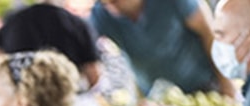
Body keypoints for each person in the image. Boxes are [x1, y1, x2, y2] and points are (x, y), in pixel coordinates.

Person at [91, 0, 236, 97]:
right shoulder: (102, 14)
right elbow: (85, 43)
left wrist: (227, 85)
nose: (110, 4)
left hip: (203, 88)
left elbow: (210, 34)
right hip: (156, 99)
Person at [0, 0, 103, 87]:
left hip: (20, 103)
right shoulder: (78, 25)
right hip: (64, 102)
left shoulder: (12, 20)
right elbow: (93, 75)